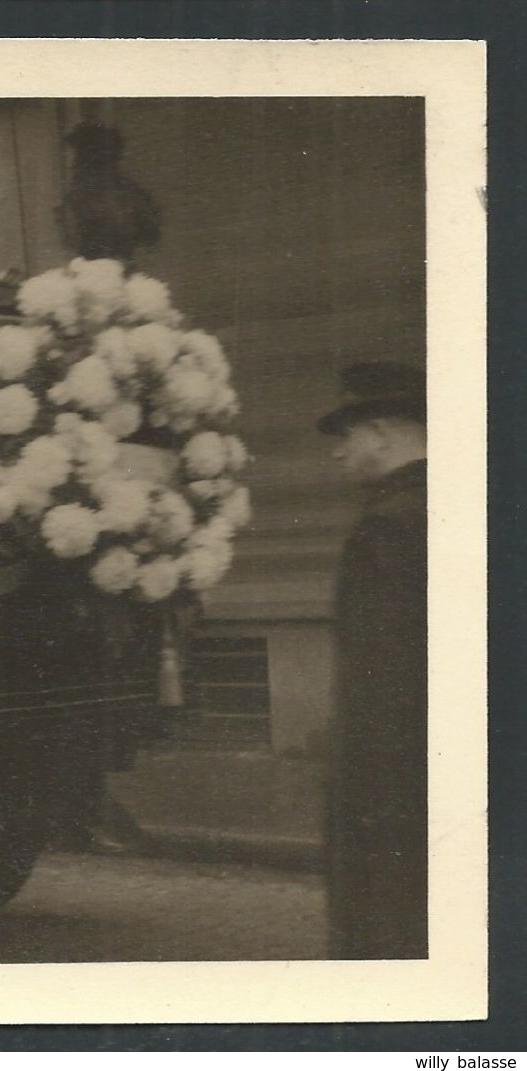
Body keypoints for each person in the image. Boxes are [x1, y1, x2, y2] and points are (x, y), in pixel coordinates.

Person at [317, 361, 428, 959]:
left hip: (390, 776)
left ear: (381, 433)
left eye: (346, 436)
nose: (338, 454)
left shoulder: (386, 527)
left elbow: (380, 683)